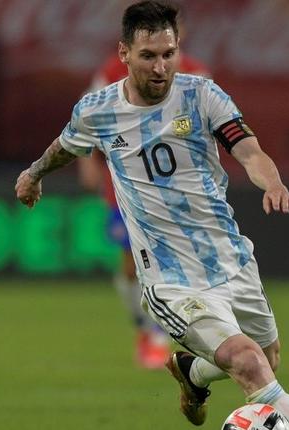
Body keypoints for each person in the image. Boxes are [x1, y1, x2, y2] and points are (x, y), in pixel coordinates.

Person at [15, 2, 289, 429]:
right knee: (250, 363)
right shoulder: (98, 110)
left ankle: (192, 374)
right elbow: (65, 146)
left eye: (167, 54)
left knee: (268, 357)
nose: (161, 67)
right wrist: (33, 174)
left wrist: (271, 182)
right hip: (172, 279)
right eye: (148, 56)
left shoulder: (202, 94)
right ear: (124, 53)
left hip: (231, 260)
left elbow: (247, 148)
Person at [78, 39, 211, 370]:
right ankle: (148, 330)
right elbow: (89, 115)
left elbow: (213, 123)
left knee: (185, 262)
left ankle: (187, 332)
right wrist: (87, 161)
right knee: (130, 263)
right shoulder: (112, 70)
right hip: (127, 182)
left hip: (178, 186)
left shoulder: (195, 72)